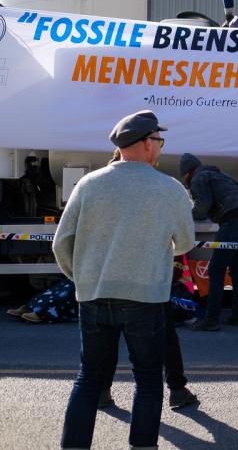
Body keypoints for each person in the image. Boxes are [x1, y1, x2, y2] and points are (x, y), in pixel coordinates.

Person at [52, 110, 195, 450]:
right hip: (145, 297)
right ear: (147, 144)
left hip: (94, 294)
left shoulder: (89, 184)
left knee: (88, 378)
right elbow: (186, 243)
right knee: (147, 380)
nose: (160, 146)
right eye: (158, 140)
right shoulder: (169, 188)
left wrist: (83, 279)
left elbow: (61, 242)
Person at [97, 148, 199, 411]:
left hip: (108, 278)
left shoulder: (98, 187)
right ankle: (176, 389)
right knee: (162, 337)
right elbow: (183, 236)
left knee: (108, 338)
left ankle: (101, 391)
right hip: (151, 277)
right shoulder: (160, 186)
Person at [179, 153, 238, 332]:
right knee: (237, 269)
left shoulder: (198, 178)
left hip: (233, 222)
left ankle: (211, 319)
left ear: (187, 173)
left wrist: (183, 214)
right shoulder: (219, 174)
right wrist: (235, 204)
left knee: (216, 269)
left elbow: (202, 208)